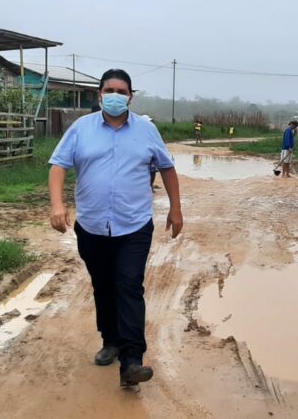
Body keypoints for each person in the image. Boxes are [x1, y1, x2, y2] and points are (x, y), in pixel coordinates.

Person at [48, 69, 184, 389]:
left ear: (130, 96)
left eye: (121, 91)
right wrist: (57, 204)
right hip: (92, 225)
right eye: (109, 89)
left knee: (128, 285)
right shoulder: (81, 129)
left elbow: (167, 168)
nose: (115, 95)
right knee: (104, 286)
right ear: (99, 94)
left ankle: (132, 361)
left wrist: (176, 209)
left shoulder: (147, 131)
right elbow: (58, 165)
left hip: (133, 226)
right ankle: (110, 339)